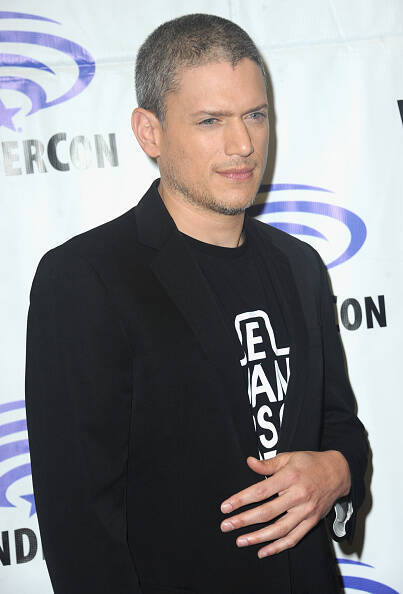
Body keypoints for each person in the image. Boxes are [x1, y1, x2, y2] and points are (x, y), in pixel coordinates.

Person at [25, 13, 368, 594]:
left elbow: (338, 423)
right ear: (150, 132)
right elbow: (80, 526)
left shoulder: (300, 265)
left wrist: (337, 471)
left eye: (255, 115)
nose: (243, 145)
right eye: (211, 120)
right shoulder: (86, 278)